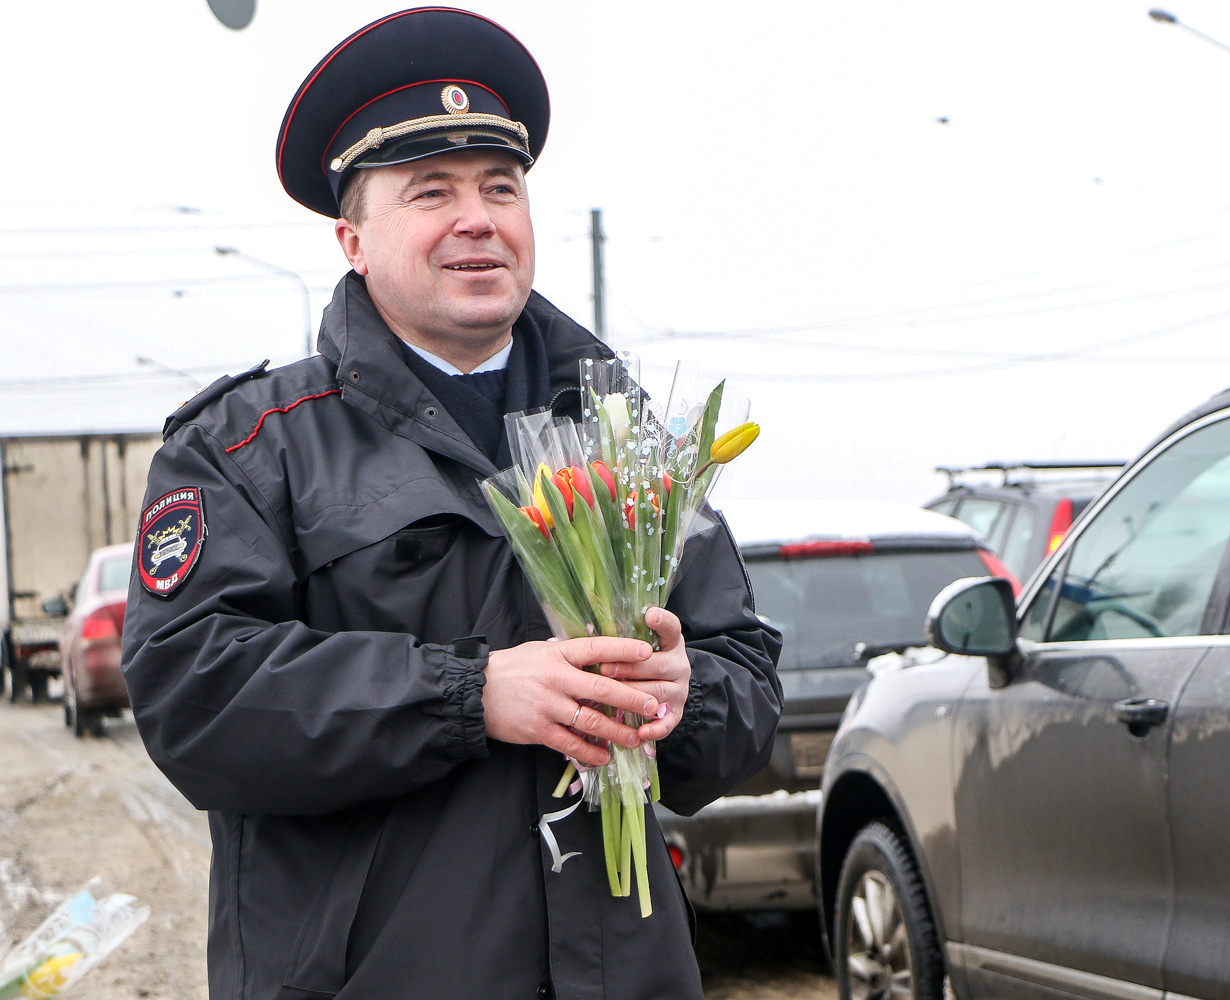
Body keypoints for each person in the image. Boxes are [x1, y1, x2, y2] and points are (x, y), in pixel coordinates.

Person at [120, 9, 782, 1000]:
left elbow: (744, 683)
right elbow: (195, 697)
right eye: (431, 192)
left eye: (501, 189)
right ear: (352, 237)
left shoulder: (624, 432)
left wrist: (683, 702)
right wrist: (472, 695)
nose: (478, 219)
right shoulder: (251, 444)